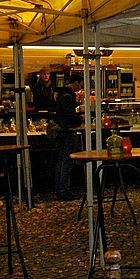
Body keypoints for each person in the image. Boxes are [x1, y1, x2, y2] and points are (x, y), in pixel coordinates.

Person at [53, 72, 85, 200]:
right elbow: (69, 116)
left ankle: (60, 189)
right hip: (68, 132)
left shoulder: (62, 95)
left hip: (63, 132)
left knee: (62, 161)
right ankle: (63, 191)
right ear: (76, 82)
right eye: (80, 85)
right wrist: (81, 117)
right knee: (66, 162)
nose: (80, 88)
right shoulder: (67, 97)